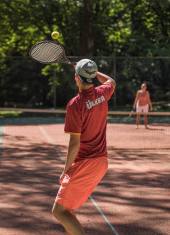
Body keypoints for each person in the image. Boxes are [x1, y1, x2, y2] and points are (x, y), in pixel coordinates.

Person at [52, 59, 116, 235]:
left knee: (58, 211)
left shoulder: (75, 104)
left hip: (85, 164)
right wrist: (94, 73)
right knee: (68, 211)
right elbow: (111, 81)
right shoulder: (103, 93)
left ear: (76, 78)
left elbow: (74, 143)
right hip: (101, 162)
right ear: (94, 77)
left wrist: (65, 171)